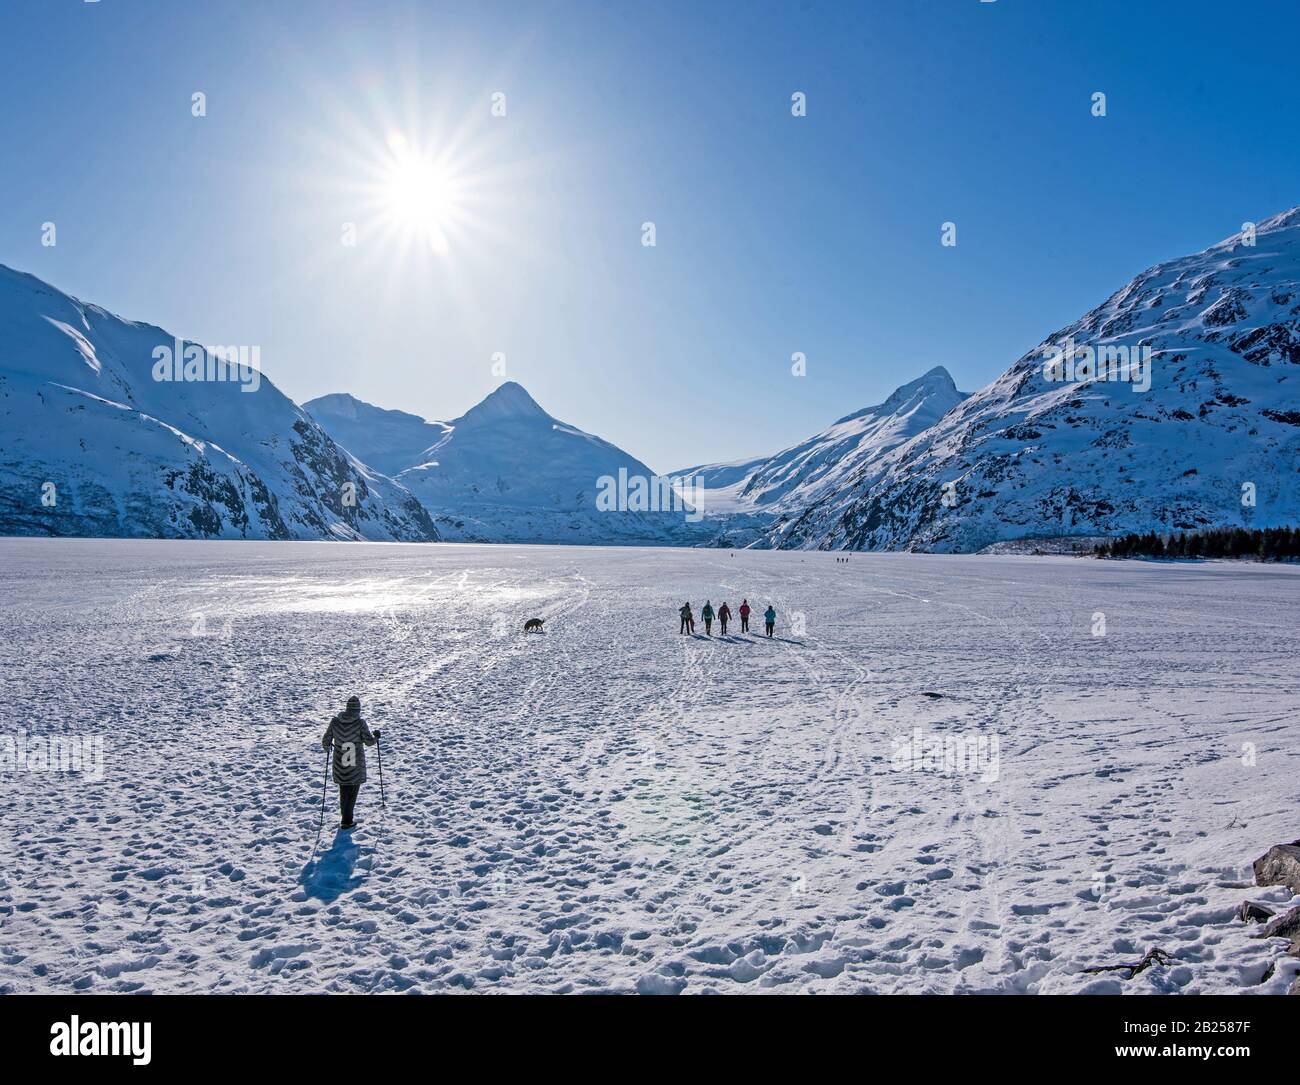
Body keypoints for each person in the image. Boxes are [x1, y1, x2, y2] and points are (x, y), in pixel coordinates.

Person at [321, 695, 379, 830]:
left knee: (343, 789)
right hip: (355, 763)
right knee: (352, 790)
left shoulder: (335, 722)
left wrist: (328, 746)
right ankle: (347, 820)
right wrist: (376, 737)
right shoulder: (360, 723)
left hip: (340, 762)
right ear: (358, 710)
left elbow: (326, 742)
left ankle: (345, 817)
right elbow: (369, 742)